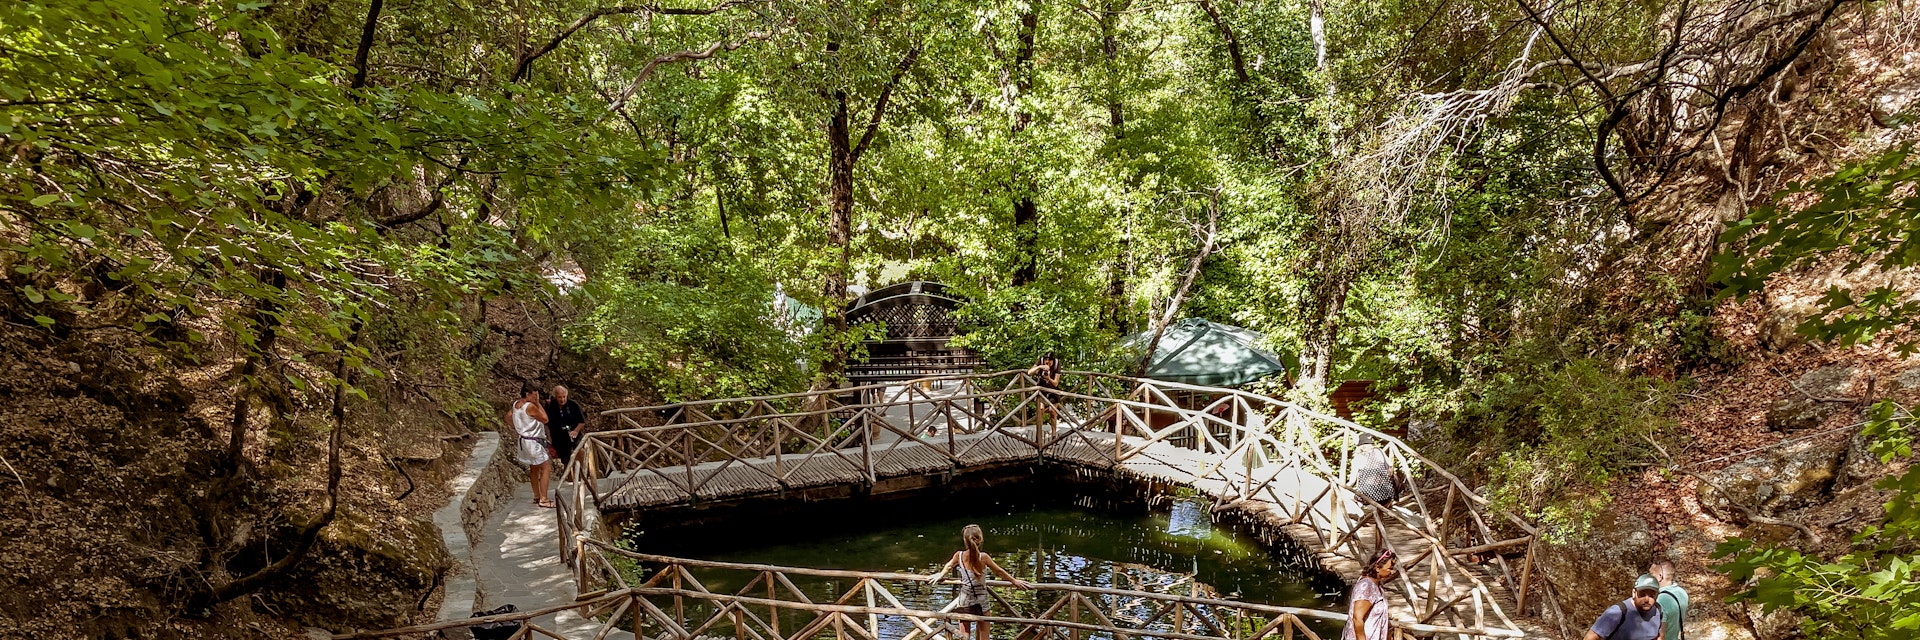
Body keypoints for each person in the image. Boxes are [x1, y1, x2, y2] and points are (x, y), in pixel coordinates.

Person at [926, 524, 1033, 640]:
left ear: (965, 540)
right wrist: (1014, 581)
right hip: (981, 600)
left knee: (964, 636)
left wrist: (940, 574)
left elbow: (949, 566)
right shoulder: (984, 557)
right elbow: (999, 572)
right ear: (980, 540)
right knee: (984, 636)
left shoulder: (959, 555)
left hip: (964, 599)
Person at [508, 384, 555, 508]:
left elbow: (507, 417)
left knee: (533, 468)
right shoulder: (530, 406)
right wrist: (538, 404)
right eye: (534, 395)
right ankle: (544, 499)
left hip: (524, 440)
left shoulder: (516, 404)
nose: (536, 397)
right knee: (546, 468)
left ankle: (537, 496)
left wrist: (517, 427)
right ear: (528, 394)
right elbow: (545, 419)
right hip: (533, 442)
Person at [1583, 574, 1666, 640]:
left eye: (1652, 595)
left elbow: (1660, 636)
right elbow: (1591, 637)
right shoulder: (1617, 612)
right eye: (1642, 594)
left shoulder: (1658, 611)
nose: (1647, 599)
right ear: (1634, 593)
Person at [1340, 548, 1397, 640]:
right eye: (1389, 569)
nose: (1392, 572)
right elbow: (1357, 618)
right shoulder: (1366, 586)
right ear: (1378, 568)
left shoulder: (1377, 585)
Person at [544, 385, 586, 468]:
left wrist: (576, 431)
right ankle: (570, 478)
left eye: (564, 397)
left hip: (573, 434)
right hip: (559, 437)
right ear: (555, 397)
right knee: (566, 460)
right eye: (559, 397)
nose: (562, 399)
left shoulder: (573, 405)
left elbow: (582, 421)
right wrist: (549, 437)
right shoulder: (550, 406)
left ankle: (585, 472)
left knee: (580, 450)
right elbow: (546, 424)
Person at [1650, 559, 1688, 640]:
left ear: (1660, 577)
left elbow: (1661, 635)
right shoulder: (1682, 592)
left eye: (1652, 574)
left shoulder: (1660, 600)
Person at [1026, 352, 1063, 426]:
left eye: (1049, 361)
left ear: (1053, 361)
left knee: (1052, 411)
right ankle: (1039, 432)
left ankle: (1054, 434)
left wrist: (1049, 378)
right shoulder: (1041, 361)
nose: (1047, 362)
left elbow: (1056, 383)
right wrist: (1039, 367)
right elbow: (1029, 372)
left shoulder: (1057, 364)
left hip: (1052, 389)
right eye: (1046, 360)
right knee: (1041, 409)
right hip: (1041, 389)